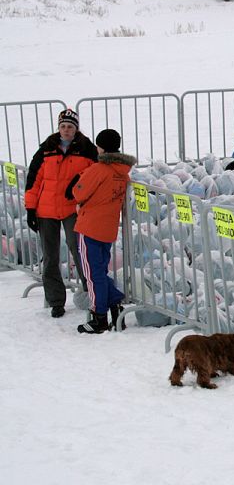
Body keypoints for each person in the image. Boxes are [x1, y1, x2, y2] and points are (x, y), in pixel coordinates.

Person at [24, 108, 98, 318]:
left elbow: (95, 172)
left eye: (70, 127)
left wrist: (77, 181)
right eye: (63, 126)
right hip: (45, 209)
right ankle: (56, 301)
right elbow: (33, 180)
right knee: (50, 256)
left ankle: (90, 294)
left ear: (76, 129)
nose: (66, 130)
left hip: (72, 208)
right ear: (59, 128)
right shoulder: (46, 149)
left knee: (80, 252)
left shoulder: (86, 149)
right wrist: (30, 207)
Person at [68, 129, 136, 334]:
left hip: (90, 226)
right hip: (108, 228)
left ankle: (99, 317)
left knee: (92, 273)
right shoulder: (123, 172)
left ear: (101, 147)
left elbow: (78, 193)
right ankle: (115, 305)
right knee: (100, 270)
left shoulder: (99, 169)